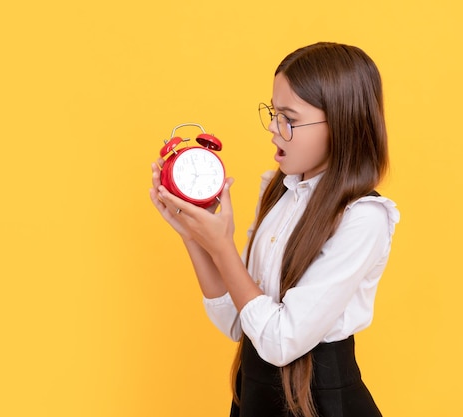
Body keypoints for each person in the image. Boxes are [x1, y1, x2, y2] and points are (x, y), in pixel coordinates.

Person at [149, 42, 399, 417]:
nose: (272, 127)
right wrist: (193, 235)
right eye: (272, 111)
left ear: (342, 123)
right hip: (256, 398)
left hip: (321, 405)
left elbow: (281, 340)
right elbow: (239, 323)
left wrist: (222, 248)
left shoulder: (363, 217)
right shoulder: (278, 192)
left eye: (289, 118)